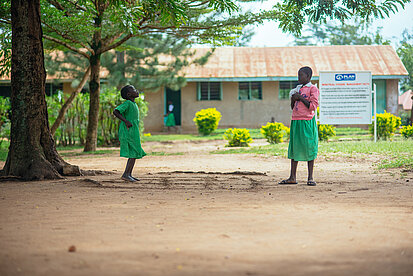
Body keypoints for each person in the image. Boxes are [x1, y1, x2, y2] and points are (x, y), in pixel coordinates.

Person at [279, 66, 319, 186]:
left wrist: (300, 98)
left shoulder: (313, 89)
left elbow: (313, 106)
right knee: (294, 148)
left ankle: (310, 177)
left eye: (301, 75)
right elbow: (293, 107)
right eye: (298, 75)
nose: (298, 78)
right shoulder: (297, 89)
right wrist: (293, 98)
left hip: (307, 121)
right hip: (296, 120)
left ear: (308, 76)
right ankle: (292, 177)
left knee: (309, 147)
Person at [113, 85, 146, 182]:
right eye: (134, 90)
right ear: (129, 94)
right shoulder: (127, 103)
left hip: (133, 130)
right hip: (128, 130)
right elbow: (116, 111)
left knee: (135, 152)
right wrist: (126, 121)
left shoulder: (133, 104)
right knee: (134, 151)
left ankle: (128, 174)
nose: (137, 91)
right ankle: (126, 174)